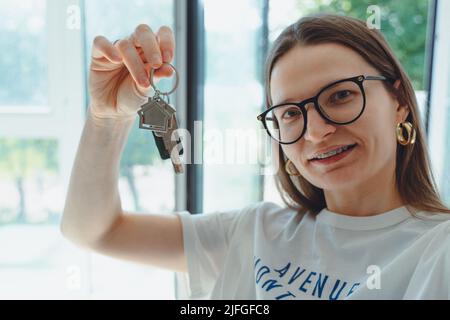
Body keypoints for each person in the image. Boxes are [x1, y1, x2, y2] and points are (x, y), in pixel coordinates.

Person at [61, 14, 450, 300]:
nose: (316, 131)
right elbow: (94, 230)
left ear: (399, 101)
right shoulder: (256, 232)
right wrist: (106, 118)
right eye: (291, 113)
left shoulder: (438, 249)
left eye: (341, 95)